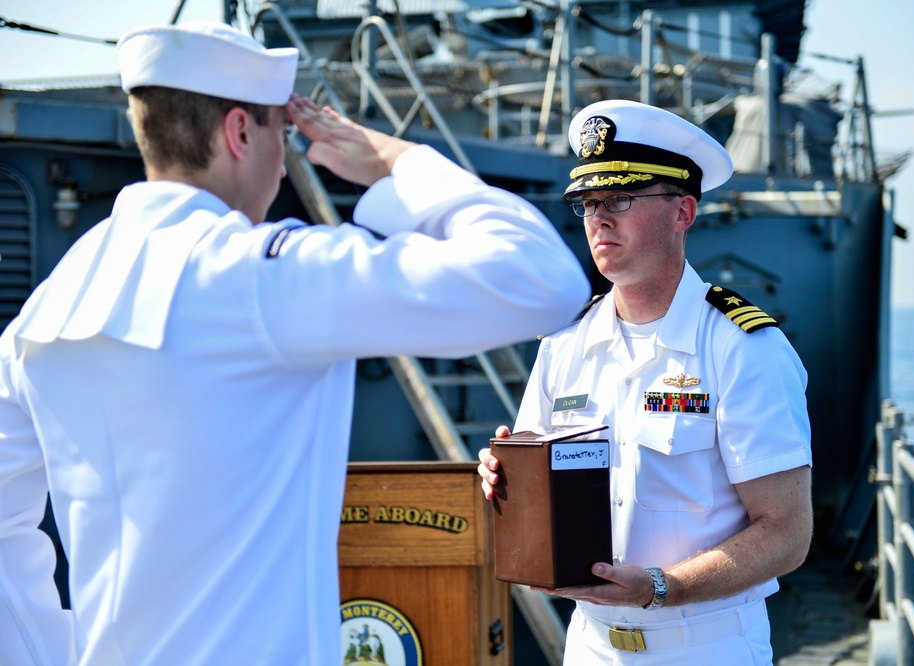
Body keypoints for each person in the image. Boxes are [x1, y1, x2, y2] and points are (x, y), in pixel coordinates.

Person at [0, 21, 589, 666]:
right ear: (240, 132)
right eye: (282, 133)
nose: (284, 161)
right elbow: (543, 281)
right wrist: (401, 163)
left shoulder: (48, 306)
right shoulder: (258, 277)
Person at [478, 99, 813, 664]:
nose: (598, 218)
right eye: (588, 202)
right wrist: (504, 478)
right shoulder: (563, 345)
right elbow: (536, 483)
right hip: (590, 644)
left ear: (683, 212)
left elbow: (786, 531)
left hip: (705, 646)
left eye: (621, 199)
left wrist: (663, 587)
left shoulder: (740, 348)